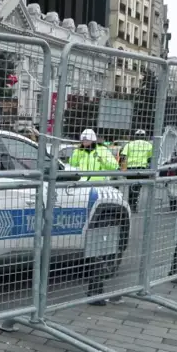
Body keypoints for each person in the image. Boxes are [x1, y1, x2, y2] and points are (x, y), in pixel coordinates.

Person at [69, 129, 122, 306]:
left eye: (86, 140)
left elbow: (113, 167)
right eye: (82, 140)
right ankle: (96, 278)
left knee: (98, 233)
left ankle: (98, 274)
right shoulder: (78, 151)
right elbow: (72, 166)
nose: (84, 142)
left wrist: (101, 159)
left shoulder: (102, 151)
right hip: (81, 191)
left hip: (99, 192)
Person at [119, 129, 153, 212]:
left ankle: (131, 203)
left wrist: (123, 168)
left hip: (131, 169)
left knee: (132, 186)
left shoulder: (129, 144)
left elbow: (123, 156)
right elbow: (151, 158)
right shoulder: (148, 145)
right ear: (145, 136)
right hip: (142, 169)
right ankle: (133, 204)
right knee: (137, 186)